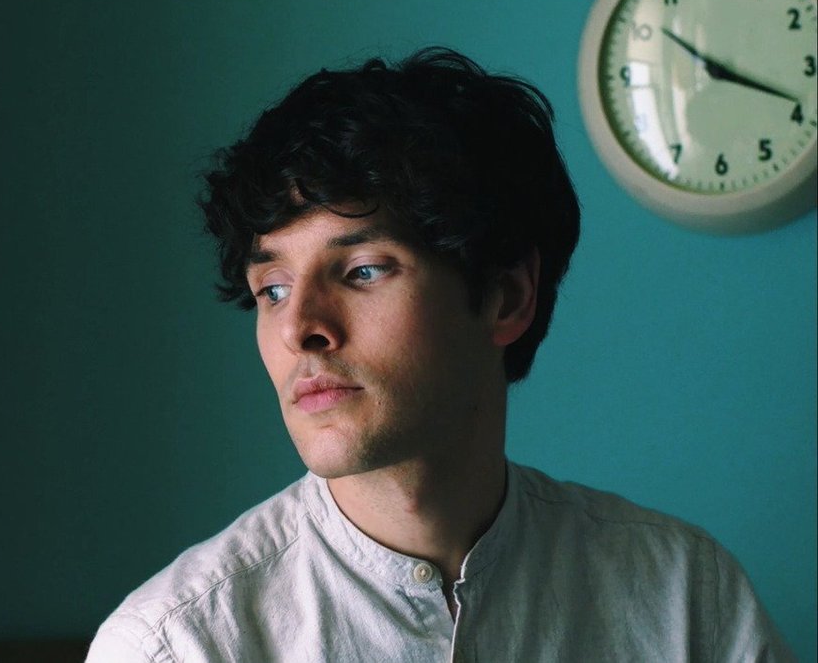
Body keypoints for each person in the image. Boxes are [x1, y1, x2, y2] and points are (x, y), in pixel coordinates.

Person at [85, 48, 792, 662]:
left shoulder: (687, 599)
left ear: (507, 298)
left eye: (362, 270)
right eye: (272, 288)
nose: (300, 327)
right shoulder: (174, 645)